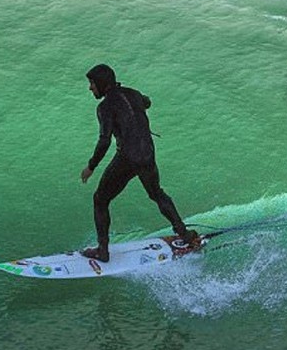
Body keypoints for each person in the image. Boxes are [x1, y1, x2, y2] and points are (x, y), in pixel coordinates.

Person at [80, 63, 198, 262]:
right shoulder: (133, 94)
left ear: (101, 83)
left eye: (92, 83)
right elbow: (147, 102)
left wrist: (91, 166)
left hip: (128, 157)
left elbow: (104, 140)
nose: (90, 87)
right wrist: (140, 104)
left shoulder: (104, 107)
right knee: (157, 193)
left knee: (100, 200)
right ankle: (183, 233)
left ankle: (102, 250)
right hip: (147, 153)